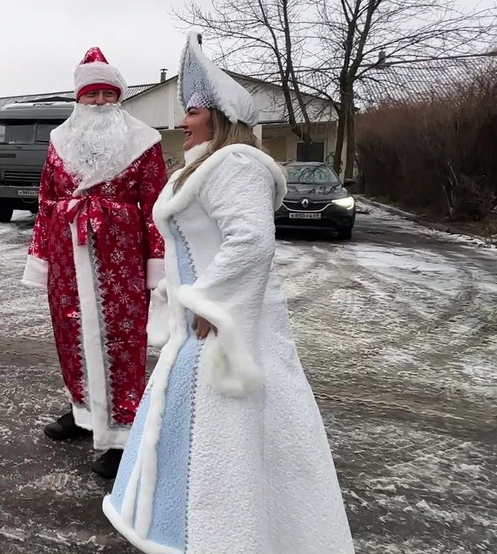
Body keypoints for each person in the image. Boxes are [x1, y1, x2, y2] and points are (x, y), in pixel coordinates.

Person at [104, 33, 354, 553]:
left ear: (218, 116)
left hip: (223, 327)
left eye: (191, 111)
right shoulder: (205, 167)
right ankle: (192, 529)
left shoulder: (235, 164)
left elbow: (252, 241)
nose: (181, 121)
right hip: (202, 327)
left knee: (226, 435)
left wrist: (211, 303)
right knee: (203, 430)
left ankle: (226, 537)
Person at [22, 47, 168, 478]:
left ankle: (123, 434)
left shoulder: (144, 142)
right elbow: (47, 201)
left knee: (120, 342)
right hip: (68, 258)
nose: (100, 102)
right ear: (78, 99)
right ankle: (83, 412)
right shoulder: (59, 142)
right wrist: (42, 256)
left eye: (108, 94)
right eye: (92, 95)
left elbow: (156, 206)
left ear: (119, 97)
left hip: (119, 261)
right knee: (73, 336)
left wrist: (156, 264)